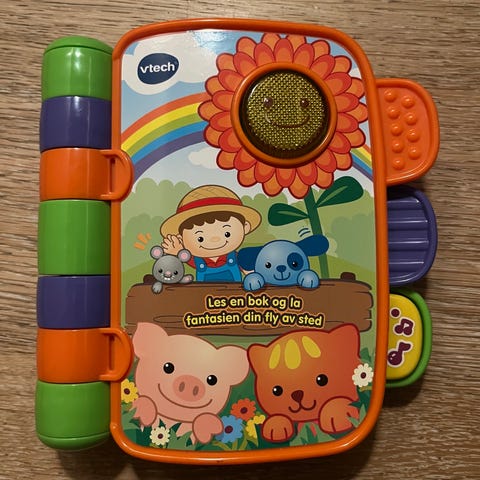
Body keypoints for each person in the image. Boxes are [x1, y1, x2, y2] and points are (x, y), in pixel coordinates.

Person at [160, 185, 261, 282]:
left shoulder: (237, 258)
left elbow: (248, 271)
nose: (215, 239)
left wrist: (254, 277)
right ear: (181, 238)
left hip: (234, 294)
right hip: (204, 294)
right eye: (200, 238)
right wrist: (178, 251)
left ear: (245, 227)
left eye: (227, 234)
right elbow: (184, 257)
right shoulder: (197, 261)